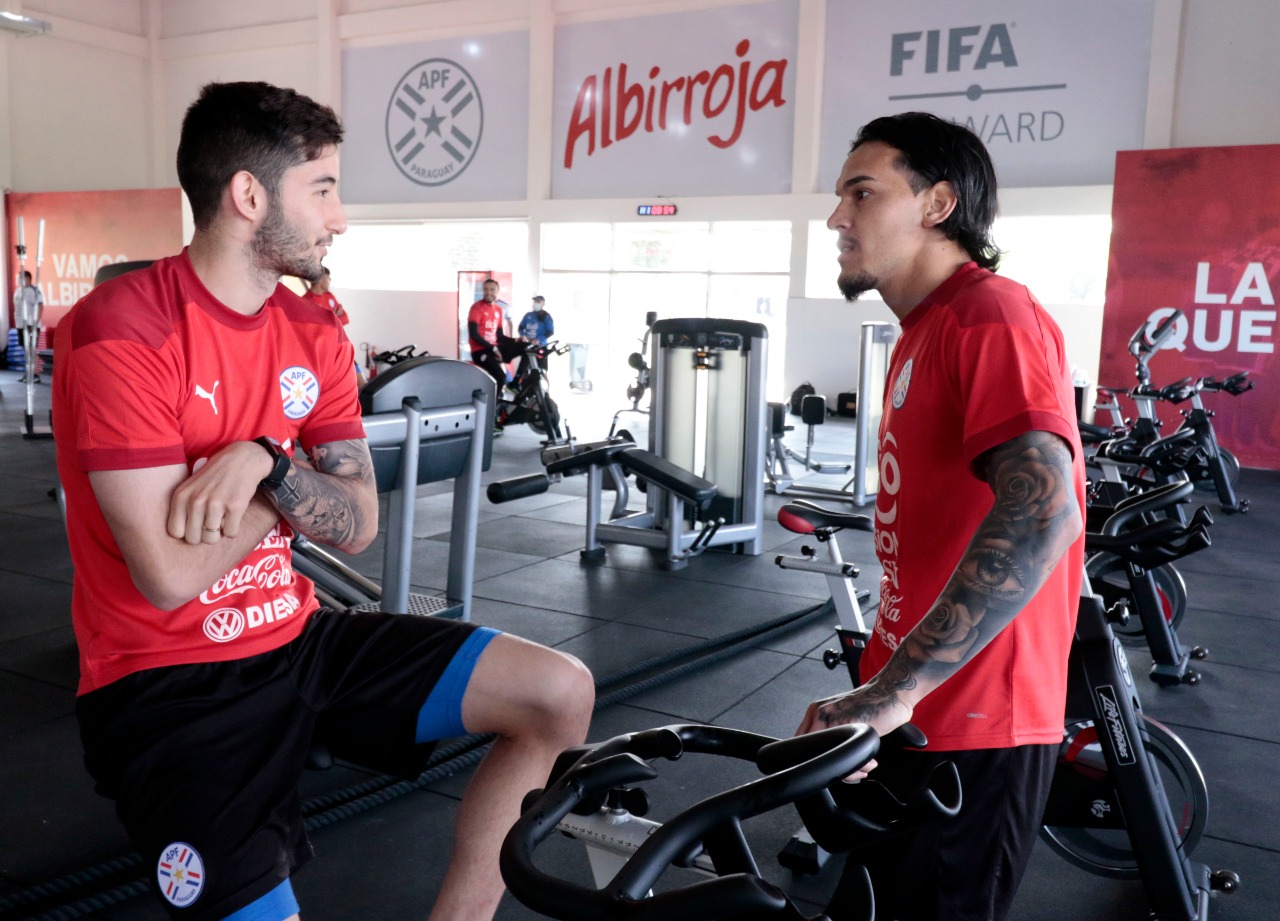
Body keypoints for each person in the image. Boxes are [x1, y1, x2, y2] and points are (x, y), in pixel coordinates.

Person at [52, 81, 594, 921]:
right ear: (247, 195)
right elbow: (167, 575)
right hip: (168, 689)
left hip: (300, 640)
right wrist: (287, 483)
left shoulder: (313, 331)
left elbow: (361, 523)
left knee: (558, 693)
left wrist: (263, 462)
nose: (339, 218)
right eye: (325, 189)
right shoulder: (122, 329)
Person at [798, 112, 1086, 921]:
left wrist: (895, 688)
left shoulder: (991, 315)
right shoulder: (923, 330)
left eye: (862, 192)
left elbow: (1041, 514)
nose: (836, 218)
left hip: (978, 723)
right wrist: (873, 690)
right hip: (916, 706)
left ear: (936, 204)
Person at [305, 265, 366, 386]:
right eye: (328, 278)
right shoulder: (306, 300)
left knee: (361, 383)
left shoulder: (330, 297)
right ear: (322, 278)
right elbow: (312, 330)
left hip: (340, 347)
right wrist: (333, 318)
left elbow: (345, 318)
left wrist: (329, 319)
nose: (330, 281)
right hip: (323, 354)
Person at [466, 277, 522, 391]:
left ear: (497, 291)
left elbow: (500, 336)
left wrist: (515, 341)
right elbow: (474, 334)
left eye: (492, 290)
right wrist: (493, 348)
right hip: (480, 351)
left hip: (494, 348)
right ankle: (493, 407)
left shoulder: (498, 310)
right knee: (501, 378)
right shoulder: (476, 308)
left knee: (526, 347)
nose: (488, 292)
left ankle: (516, 382)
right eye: (486, 289)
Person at [13, 269, 44, 382]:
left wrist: (35, 324)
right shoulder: (18, 290)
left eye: (20, 278)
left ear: (28, 279)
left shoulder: (34, 291)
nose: (18, 281)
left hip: (31, 325)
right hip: (20, 325)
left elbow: (40, 307)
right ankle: (28, 373)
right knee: (25, 350)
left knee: (31, 350)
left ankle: (35, 375)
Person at [517, 295, 555, 371]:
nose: (535, 303)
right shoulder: (528, 315)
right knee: (525, 369)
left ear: (543, 304)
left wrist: (538, 339)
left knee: (541, 369)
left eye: (538, 302)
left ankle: (544, 382)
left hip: (540, 346)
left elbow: (550, 331)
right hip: (528, 346)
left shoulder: (546, 316)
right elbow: (520, 327)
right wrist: (523, 336)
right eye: (535, 301)